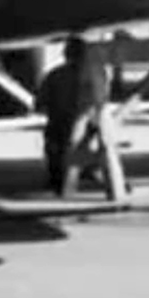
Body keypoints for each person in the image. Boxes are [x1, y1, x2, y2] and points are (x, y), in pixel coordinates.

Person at [36, 34, 108, 197]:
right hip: (89, 122)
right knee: (90, 138)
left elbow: (40, 103)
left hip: (60, 123)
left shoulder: (54, 75)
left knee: (54, 142)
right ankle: (89, 169)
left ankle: (58, 176)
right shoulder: (97, 73)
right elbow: (103, 99)